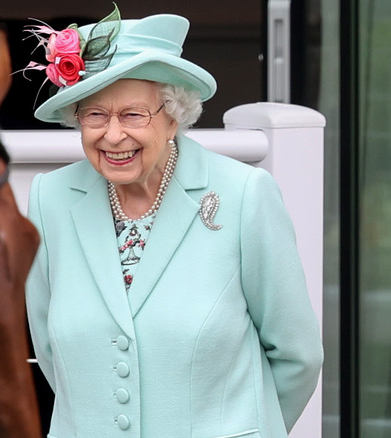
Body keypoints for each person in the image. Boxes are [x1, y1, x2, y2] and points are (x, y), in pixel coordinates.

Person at [23, 6, 324, 437]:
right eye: (94, 115)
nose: (112, 135)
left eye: (132, 115)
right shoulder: (50, 200)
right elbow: (52, 353)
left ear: (173, 116)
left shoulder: (242, 195)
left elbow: (298, 355)